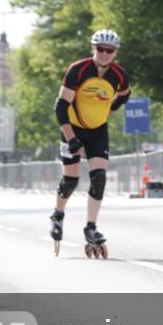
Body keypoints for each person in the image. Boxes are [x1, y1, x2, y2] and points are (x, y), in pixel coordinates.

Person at [50, 29, 131, 258]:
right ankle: (58, 214)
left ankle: (91, 227)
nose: (105, 54)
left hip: (97, 131)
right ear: (93, 49)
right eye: (100, 49)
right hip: (72, 128)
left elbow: (124, 94)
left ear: (116, 52)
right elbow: (61, 106)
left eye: (110, 50)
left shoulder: (120, 75)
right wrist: (71, 138)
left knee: (99, 178)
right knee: (71, 181)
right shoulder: (78, 69)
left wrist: (110, 108)